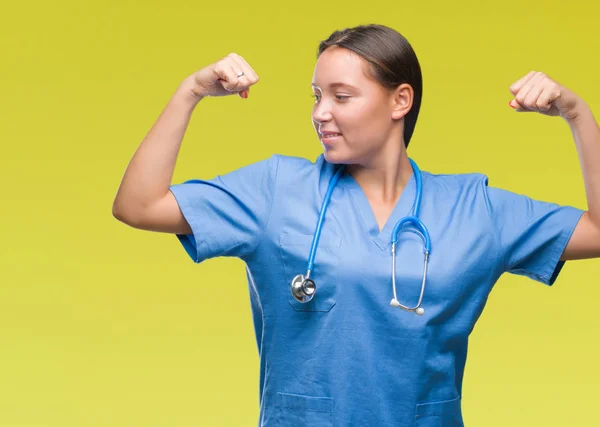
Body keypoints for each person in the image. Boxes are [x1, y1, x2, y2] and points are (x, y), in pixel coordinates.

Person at [112, 23, 600, 427]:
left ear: (399, 101)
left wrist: (577, 115)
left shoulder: (472, 209)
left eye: (341, 97)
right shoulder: (276, 190)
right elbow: (138, 205)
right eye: (316, 95)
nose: (320, 113)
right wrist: (190, 92)